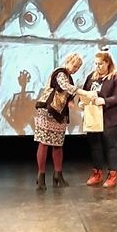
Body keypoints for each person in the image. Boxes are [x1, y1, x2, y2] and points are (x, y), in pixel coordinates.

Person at [33, 52, 93, 189]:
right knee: (44, 143)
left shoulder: (69, 78)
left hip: (60, 115)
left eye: (78, 67)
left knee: (58, 144)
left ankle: (58, 175)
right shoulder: (60, 73)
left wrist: (72, 102)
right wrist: (84, 92)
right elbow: (65, 86)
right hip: (47, 111)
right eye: (74, 65)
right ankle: (41, 177)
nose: (75, 69)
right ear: (68, 61)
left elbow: (68, 95)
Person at [82, 50, 117, 189]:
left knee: (110, 146)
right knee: (95, 146)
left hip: (111, 117)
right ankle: (97, 173)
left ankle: (112, 175)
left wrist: (104, 101)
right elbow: (85, 92)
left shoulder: (116, 77)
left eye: (100, 64)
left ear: (108, 63)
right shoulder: (91, 77)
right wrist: (82, 101)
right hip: (94, 117)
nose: (98, 67)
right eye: (96, 64)